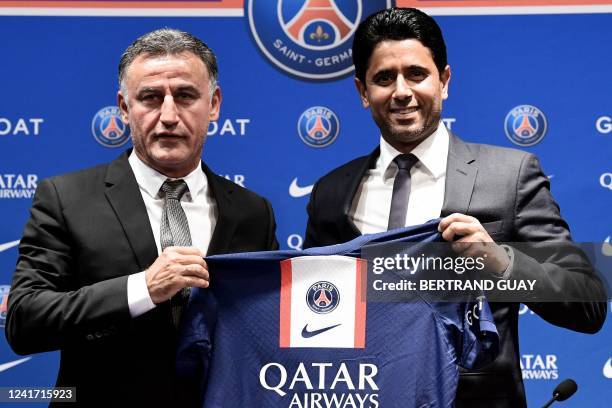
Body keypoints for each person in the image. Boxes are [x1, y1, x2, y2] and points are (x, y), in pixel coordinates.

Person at [303, 8, 606, 408]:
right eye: (383, 78)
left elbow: (587, 303)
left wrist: (503, 265)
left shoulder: (510, 175)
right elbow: (313, 309)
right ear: (362, 91)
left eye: (416, 74)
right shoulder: (331, 191)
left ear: (444, 80)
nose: (401, 91)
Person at [5, 28, 278, 406]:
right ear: (124, 107)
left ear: (213, 104)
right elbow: (25, 321)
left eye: (185, 96)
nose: (168, 115)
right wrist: (143, 289)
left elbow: (265, 332)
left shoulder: (253, 212)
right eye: (150, 98)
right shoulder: (66, 199)